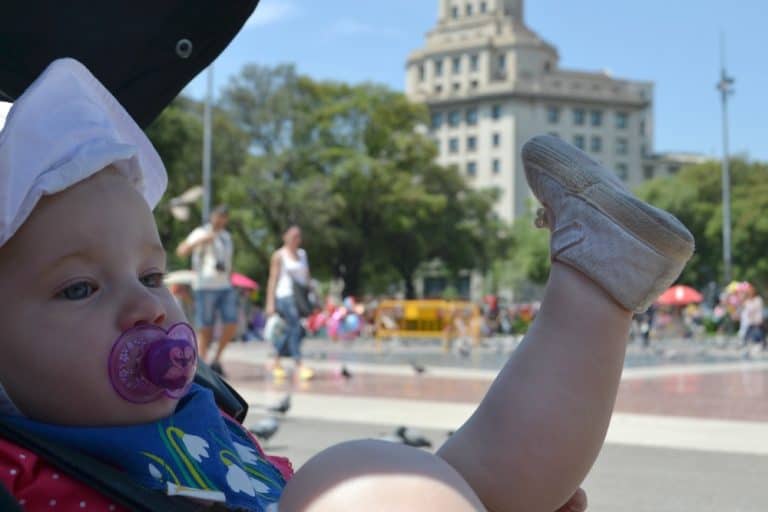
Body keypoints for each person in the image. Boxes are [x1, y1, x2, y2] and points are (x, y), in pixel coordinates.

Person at [0, 60, 694, 512]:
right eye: (80, 289)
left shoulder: (202, 422)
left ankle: (594, 285)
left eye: (153, 275)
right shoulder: (20, 470)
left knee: (470, 472)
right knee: (363, 479)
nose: (147, 305)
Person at [176, 205, 236, 376]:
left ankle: (216, 359)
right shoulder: (200, 232)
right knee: (205, 327)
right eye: (219, 216)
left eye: (225, 216)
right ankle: (202, 366)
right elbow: (181, 251)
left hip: (224, 284)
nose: (221, 220)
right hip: (205, 285)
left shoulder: (226, 237)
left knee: (231, 322)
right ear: (212, 217)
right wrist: (202, 240)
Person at [265, 226, 315, 381]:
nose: (296, 239)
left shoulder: (302, 254)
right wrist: (270, 302)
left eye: (298, 236)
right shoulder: (279, 255)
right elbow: (273, 279)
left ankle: (276, 361)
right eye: (293, 236)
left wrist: (313, 295)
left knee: (292, 329)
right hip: (284, 295)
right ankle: (298, 364)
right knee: (294, 325)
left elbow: (306, 276)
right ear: (285, 236)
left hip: (300, 297)